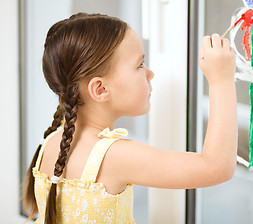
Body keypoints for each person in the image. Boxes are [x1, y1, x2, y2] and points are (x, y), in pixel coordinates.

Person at [22, 13, 237, 223]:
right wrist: (221, 79)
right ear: (100, 89)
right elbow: (217, 167)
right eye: (140, 65)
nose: (150, 73)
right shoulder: (115, 156)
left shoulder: (51, 142)